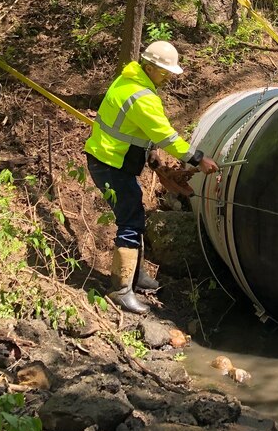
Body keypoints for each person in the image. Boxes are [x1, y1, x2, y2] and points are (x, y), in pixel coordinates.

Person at [84, 40, 218, 314]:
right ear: (150, 67)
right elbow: (166, 135)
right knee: (130, 220)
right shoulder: (142, 96)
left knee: (135, 213)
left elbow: (138, 128)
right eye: (165, 72)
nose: (168, 77)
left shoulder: (129, 80)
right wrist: (198, 159)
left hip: (109, 160)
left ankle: (136, 276)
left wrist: (151, 153)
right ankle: (121, 290)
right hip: (111, 165)